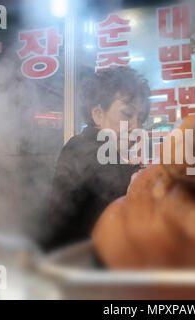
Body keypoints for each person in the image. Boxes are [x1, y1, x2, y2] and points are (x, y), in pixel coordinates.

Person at [40, 67, 151, 251]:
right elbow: (116, 183)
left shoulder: (107, 152)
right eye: (126, 114)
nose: (136, 127)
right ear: (98, 114)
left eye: (141, 119)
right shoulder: (84, 148)